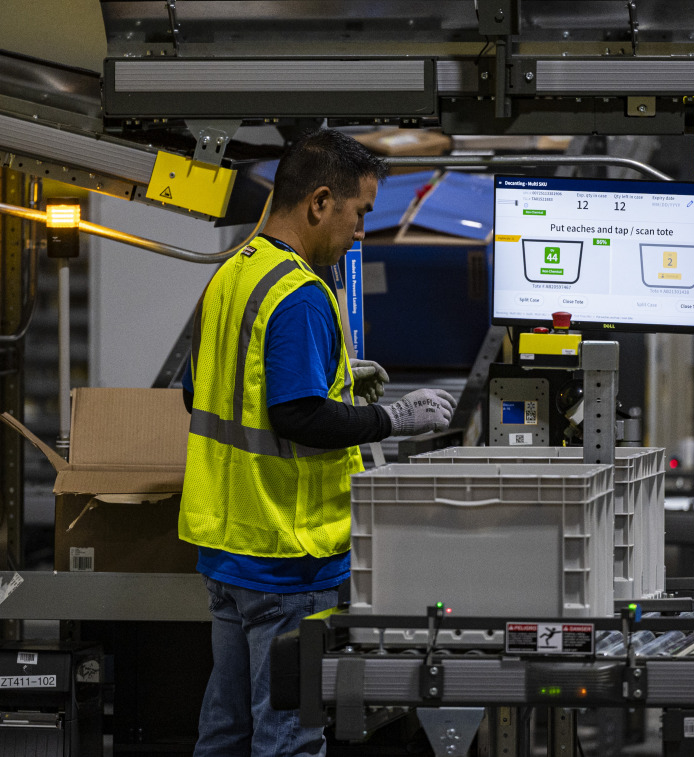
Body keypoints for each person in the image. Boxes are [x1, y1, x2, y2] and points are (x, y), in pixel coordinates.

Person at [179, 128, 457, 757]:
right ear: (320, 202)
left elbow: (204, 393)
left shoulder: (235, 273)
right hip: (288, 556)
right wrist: (396, 419)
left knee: (225, 732)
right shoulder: (301, 294)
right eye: (360, 213)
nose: (362, 231)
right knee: (288, 741)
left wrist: (336, 378)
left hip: (229, 551)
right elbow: (298, 416)